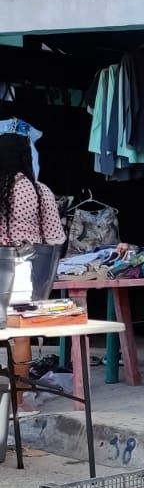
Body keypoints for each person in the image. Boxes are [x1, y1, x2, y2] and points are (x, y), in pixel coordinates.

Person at [0, 135, 67, 407]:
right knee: (20, 335)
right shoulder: (41, 191)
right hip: (24, 272)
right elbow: (55, 238)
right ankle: (17, 401)